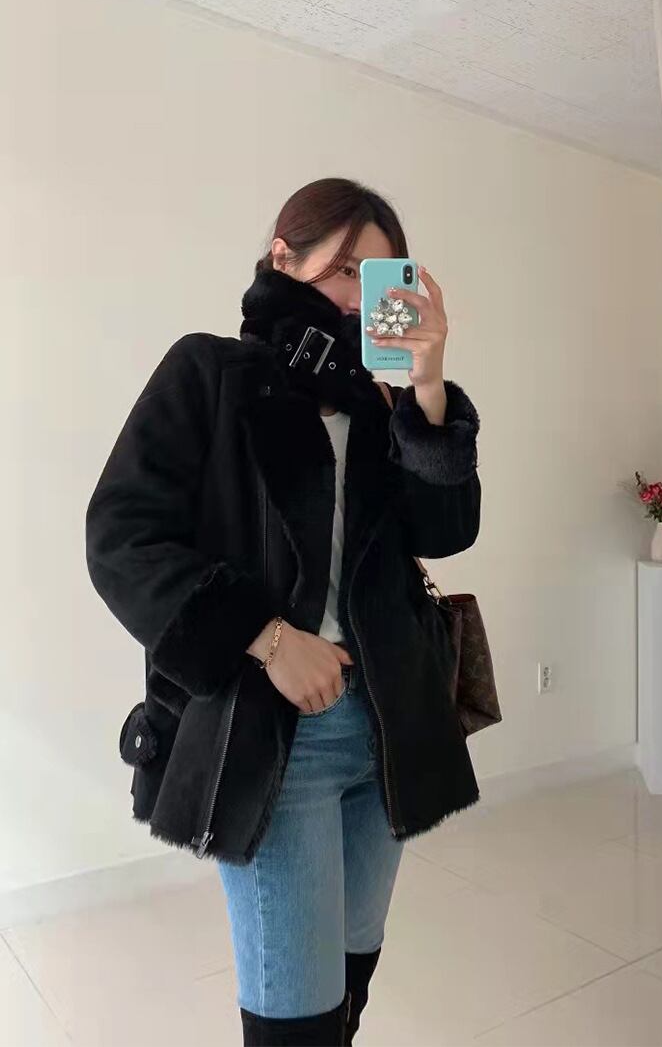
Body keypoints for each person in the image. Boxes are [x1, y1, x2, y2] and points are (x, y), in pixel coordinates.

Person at [85, 177, 482, 1045]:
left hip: (389, 733)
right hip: (277, 743)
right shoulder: (211, 374)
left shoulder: (384, 406)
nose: (357, 298)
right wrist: (266, 638)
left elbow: (447, 533)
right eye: (344, 271)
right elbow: (120, 537)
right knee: (295, 1017)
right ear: (283, 258)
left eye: (378, 279)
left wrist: (428, 388)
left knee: (350, 976)